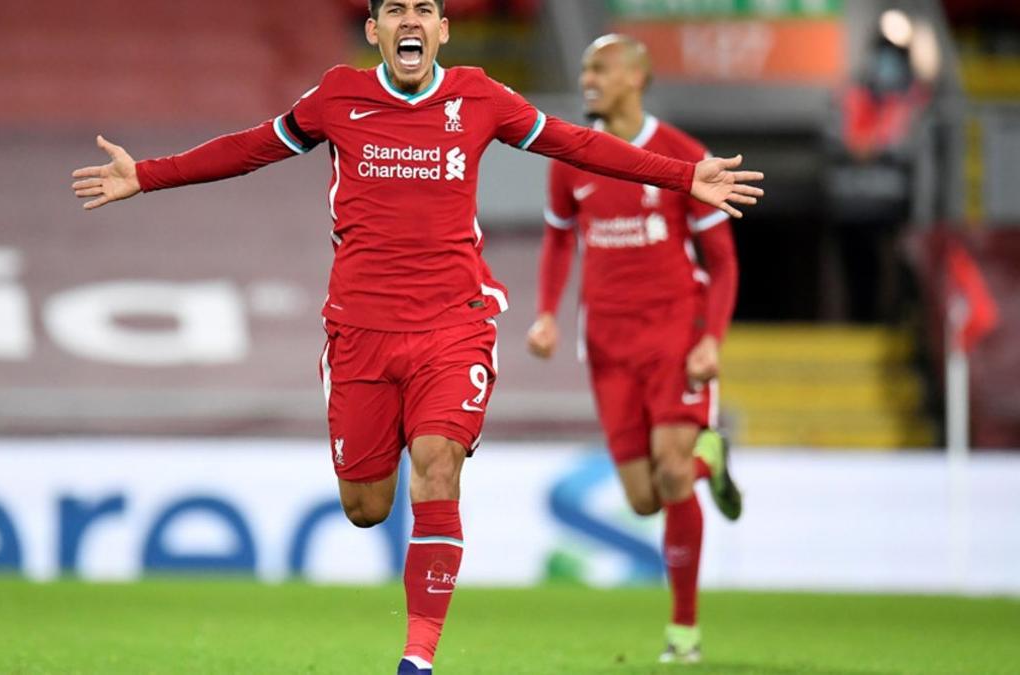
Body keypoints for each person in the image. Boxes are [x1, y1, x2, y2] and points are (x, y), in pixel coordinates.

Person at [71, 5, 763, 673]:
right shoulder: (336, 98)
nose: (410, 20)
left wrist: (683, 175)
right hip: (360, 331)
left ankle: (418, 657)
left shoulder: (480, 97)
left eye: (423, 9)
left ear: (442, 28)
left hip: (454, 324)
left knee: (438, 462)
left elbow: (575, 142)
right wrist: (148, 175)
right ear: (373, 29)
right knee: (366, 506)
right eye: (395, 10)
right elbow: (250, 148)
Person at [526, 34, 744, 664]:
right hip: (607, 346)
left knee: (671, 476)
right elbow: (559, 240)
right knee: (644, 497)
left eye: (600, 68)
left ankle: (683, 632)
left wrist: (711, 339)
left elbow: (723, 263)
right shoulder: (570, 158)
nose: (587, 77)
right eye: (586, 67)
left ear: (635, 78)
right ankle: (712, 456)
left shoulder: (682, 158)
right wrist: (546, 314)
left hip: (675, 335)